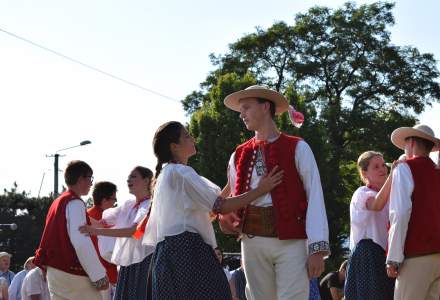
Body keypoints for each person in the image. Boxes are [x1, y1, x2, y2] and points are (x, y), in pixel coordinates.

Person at [142, 121, 283, 300]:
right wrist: (260, 190)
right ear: (174, 146)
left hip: (170, 255)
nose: (192, 138)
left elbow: (210, 210)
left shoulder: (169, 174)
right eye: (186, 136)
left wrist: (231, 184)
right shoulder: (181, 173)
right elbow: (220, 206)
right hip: (187, 251)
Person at [219, 85, 330, 299]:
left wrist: (316, 249)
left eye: (246, 108)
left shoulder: (298, 148)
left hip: (292, 241)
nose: (241, 115)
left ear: (265, 107)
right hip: (252, 241)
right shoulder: (238, 154)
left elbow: (315, 196)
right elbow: (234, 199)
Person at [33, 160, 108, 300]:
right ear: (81, 179)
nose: (92, 183)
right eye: (90, 178)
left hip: (55, 272)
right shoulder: (75, 202)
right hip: (73, 273)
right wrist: (99, 276)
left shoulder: (58, 202)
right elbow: (80, 242)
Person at [80, 167, 154, 300]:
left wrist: (96, 231)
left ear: (146, 180)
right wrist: (77, 209)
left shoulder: (149, 206)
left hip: (145, 262)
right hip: (128, 263)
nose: (128, 179)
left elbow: (135, 232)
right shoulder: (128, 205)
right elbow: (101, 223)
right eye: (129, 177)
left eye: (134, 176)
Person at [386, 124, 440, 299]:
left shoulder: (404, 168)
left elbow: (399, 214)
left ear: (412, 142)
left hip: (416, 256)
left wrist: (393, 257)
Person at [344, 151, 395, 300]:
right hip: (368, 254)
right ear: (364, 173)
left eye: (383, 165)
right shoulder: (362, 193)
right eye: (376, 167)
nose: (383, 169)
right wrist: (393, 176)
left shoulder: (390, 195)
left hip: (385, 255)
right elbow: (376, 205)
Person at [87, 181, 119, 299]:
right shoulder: (109, 219)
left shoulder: (85, 216)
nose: (115, 203)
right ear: (105, 200)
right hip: (106, 277)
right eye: (114, 199)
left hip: (88, 275)